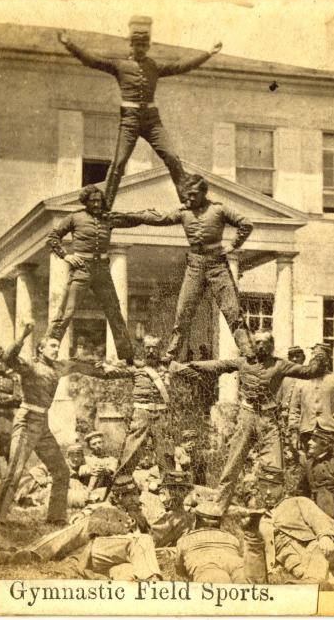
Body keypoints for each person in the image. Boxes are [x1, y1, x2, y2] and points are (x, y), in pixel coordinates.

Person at [58, 16, 222, 208]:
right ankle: (106, 205)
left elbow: (181, 67)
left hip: (152, 120)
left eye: (144, 45)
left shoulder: (153, 66)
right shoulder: (119, 65)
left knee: (171, 157)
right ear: (131, 46)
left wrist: (208, 53)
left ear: (148, 47)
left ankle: (186, 197)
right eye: (137, 45)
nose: (141, 49)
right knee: (119, 163)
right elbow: (92, 60)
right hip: (130, 120)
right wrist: (69, 44)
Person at [190, 331, 324, 512]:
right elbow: (219, 365)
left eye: (265, 342)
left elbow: (309, 371)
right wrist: (192, 365)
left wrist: (319, 355)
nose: (260, 346)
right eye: (257, 342)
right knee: (233, 464)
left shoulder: (280, 365)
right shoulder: (242, 362)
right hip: (246, 417)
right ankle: (218, 508)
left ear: (271, 345)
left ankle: (274, 513)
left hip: (269, 421)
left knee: (274, 468)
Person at [0, 322, 107, 527]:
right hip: (26, 422)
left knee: (61, 471)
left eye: (57, 346)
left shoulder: (60, 367)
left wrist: (108, 368)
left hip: (42, 424)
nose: (56, 349)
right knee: (14, 472)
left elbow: (82, 366)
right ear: (40, 349)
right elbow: (8, 358)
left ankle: (56, 517)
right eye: (52, 346)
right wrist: (24, 334)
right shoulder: (30, 366)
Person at [133, 176, 255, 361]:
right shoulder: (184, 213)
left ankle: (249, 353)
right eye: (187, 195)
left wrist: (233, 245)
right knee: (183, 312)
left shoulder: (218, 209)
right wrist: (137, 216)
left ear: (203, 193)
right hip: (195, 265)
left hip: (217, 265)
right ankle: (171, 354)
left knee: (232, 310)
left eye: (194, 195)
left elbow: (246, 224)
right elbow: (162, 218)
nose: (189, 199)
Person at [46, 185, 158, 363]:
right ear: (86, 202)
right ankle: (48, 347)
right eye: (93, 201)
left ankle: (127, 357)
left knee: (114, 311)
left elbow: (130, 220)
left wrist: (146, 215)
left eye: (99, 200)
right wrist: (66, 256)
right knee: (68, 310)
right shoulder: (74, 217)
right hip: (82, 268)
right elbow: (53, 237)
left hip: (102, 270)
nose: (97, 204)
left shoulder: (108, 218)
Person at [0, 475, 162, 582]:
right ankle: (33, 553)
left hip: (122, 557)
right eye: (127, 496)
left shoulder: (144, 513)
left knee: (127, 575)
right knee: (86, 523)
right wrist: (117, 526)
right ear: (118, 497)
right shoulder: (106, 507)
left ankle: (145, 584)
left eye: (134, 494)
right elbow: (81, 517)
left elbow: (156, 535)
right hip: (99, 548)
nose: (133, 499)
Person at [94, 334, 200, 478]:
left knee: (165, 455)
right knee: (130, 452)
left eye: (154, 348)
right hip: (141, 415)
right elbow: (113, 372)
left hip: (161, 417)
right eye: (148, 348)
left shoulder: (170, 367)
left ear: (160, 350)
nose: (151, 351)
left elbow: (193, 372)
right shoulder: (136, 369)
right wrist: (102, 367)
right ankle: (121, 486)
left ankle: (169, 492)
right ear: (143, 349)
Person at [246, 465, 334, 589]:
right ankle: (320, 586)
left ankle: (310, 585)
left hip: (323, 547)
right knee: (322, 580)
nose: (268, 492)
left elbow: (317, 518)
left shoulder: (298, 501)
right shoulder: (261, 518)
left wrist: (325, 535)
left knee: (316, 552)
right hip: (294, 561)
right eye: (263, 487)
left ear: (283, 487)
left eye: (273, 487)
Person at [298, 429, 334, 537]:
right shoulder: (308, 464)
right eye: (310, 439)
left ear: (324, 444)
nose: (309, 442)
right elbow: (302, 491)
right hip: (312, 511)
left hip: (331, 512)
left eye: (314, 440)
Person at [175, 501, 248, 583]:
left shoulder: (185, 540)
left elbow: (180, 571)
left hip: (208, 569)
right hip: (238, 567)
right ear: (220, 522)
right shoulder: (232, 538)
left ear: (196, 520)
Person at [0, 347, 22, 465]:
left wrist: (4, 398)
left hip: (8, 416)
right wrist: (6, 398)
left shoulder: (13, 376)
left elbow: (18, 398)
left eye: (2, 361)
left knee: (8, 446)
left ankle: (11, 474)